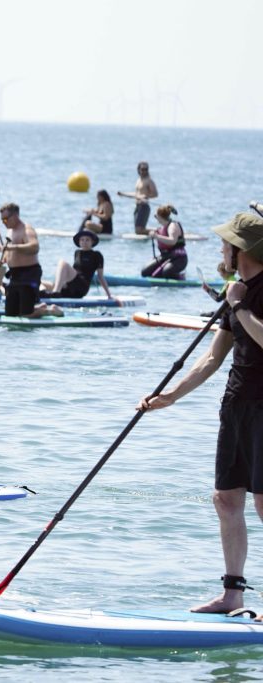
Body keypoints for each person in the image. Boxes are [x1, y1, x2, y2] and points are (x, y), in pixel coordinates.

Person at [138, 212, 263, 616]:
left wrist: (240, 305)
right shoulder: (235, 291)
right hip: (236, 405)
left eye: (226, 243)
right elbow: (212, 357)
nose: (221, 249)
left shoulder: (248, 294)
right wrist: (170, 396)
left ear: (242, 249)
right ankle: (233, 594)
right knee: (226, 500)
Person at [0, 203, 62, 318]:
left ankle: (51, 310)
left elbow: (34, 247)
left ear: (14, 216)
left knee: (26, 314)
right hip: (14, 275)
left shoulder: (26, 230)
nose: (4, 222)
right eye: (2, 220)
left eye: (5, 219)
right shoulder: (10, 231)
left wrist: (13, 247)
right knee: (11, 314)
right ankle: (39, 308)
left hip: (29, 273)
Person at [43, 229, 115, 301]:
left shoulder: (97, 255)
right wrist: (63, 282)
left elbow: (100, 277)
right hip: (71, 288)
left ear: (92, 242)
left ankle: (56, 292)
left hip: (81, 287)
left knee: (62, 263)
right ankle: (39, 295)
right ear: (79, 242)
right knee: (42, 283)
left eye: (87, 240)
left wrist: (109, 295)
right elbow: (74, 271)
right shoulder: (77, 253)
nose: (84, 242)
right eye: (82, 240)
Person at [141, 204, 187, 279]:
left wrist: (157, 236)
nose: (155, 218)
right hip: (165, 257)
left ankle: (181, 276)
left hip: (179, 259)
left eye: (156, 216)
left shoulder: (173, 226)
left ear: (160, 216)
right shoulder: (162, 227)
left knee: (166, 272)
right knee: (145, 272)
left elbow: (172, 241)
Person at [117, 161, 158, 235]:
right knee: (138, 231)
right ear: (138, 169)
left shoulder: (149, 181)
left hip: (144, 206)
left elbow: (155, 194)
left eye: (146, 169)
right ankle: (158, 231)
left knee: (139, 230)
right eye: (142, 169)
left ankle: (160, 231)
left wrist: (146, 196)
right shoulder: (139, 180)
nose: (144, 171)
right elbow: (136, 194)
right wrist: (123, 194)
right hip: (137, 207)